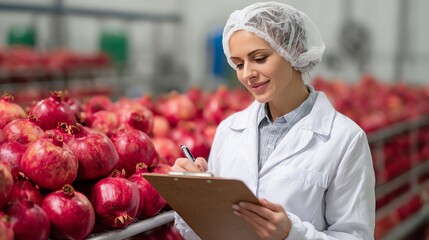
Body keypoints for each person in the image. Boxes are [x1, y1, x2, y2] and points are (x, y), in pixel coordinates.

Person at [172, 2, 375, 239]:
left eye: (259, 58)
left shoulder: (345, 139)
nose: (247, 74)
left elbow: (356, 236)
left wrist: (292, 233)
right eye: (239, 64)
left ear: (295, 50)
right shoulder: (229, 130)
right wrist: (193, 196)